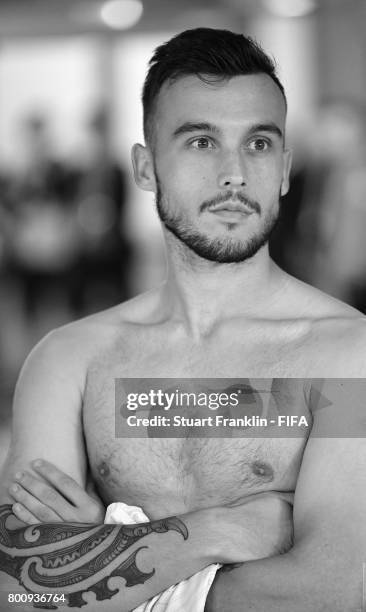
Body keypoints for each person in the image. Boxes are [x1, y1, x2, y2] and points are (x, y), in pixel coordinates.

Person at [0, 28, 365, 612]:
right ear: (146, 168)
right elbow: (17, 589)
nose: (234, 175)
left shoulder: (346, 356)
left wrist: (102, 553)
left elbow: (332, 591)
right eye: (200, 142)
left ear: (287, 168)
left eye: (259, 144)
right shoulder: (69, 359)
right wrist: (219, 530)